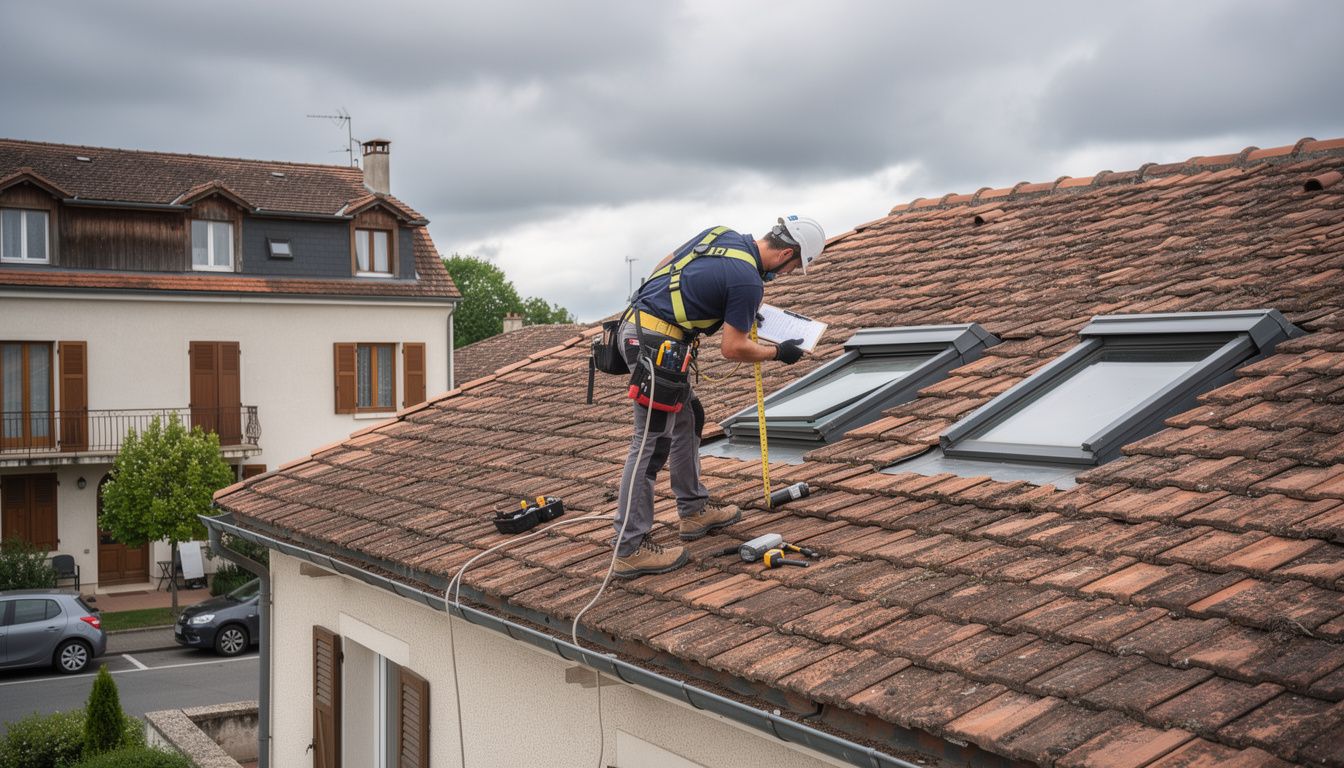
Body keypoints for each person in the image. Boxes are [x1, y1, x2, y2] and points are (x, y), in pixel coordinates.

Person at [612, 216, 825, 578]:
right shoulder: (747, 281)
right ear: (787, 253)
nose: (788, 274)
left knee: (689, 416)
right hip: (654, 344)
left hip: (645, 331)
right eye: (793, 268)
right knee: (650, 444)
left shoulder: (721, 235)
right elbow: (733, 347)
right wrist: (780, 354)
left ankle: (693, 510)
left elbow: (668, 261)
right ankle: (629, 548)